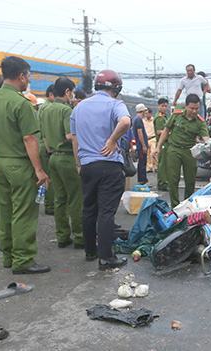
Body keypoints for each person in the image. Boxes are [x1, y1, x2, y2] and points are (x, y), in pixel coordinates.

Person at [0, 56, 50, 274]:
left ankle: (8, 256)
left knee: (4, 210)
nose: (28, 80)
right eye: (28, 76)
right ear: (22, 76)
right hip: (19, 164)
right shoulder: (20, 102)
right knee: (24, 212)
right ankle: (23, 260)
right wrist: (39, 169)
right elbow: (29, 139)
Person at [70, 69, 131, 270]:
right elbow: (125, 121)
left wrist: (79, 162)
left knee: (88, 209)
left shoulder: (78, 108)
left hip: (87, 165)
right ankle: (106, 257)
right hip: (108, 165)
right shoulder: (115, 104)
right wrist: (112, 140)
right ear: (116, 87)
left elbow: (75, 138)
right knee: (106, 212)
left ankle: (90, 251)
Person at [39, 77, 84, 249]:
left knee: (60, 198)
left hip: (53, 157)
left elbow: (43, 134)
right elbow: (70, 136)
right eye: (72, 92)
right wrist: (78, 162)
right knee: (75, 198)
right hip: (66, 157)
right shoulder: (66, 110)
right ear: (67, 91)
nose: (72, 96)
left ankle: (62, 236)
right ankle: (80, 237)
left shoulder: (44, 108)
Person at [155, 94, 209, 207]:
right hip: (173, 150)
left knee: (190, 181)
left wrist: (210, 145)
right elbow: (166, 131)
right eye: (192, 108)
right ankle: (175, 206)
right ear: (186, 106)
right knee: (173, 180)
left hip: (189, 152)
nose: (194, 111)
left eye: (197, 108)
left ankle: (187, 206)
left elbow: (206, 138)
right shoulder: (176, 115)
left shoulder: (200, 122)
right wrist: (158, 147)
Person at [37, 85, 55, 215]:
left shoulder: (42, 107)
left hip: (40, 144)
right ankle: (50, 205)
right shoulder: (49, 107)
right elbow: (47, 130)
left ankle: (47, 203)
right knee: (50, 177)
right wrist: (50, 148)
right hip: (46, 145)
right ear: (50, 95)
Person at [154, 98, 169, 191]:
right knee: (162, 164)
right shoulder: (159, 118)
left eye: (166, 106)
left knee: (166, 164)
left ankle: (165, 182)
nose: (164, 108)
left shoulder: (165, 116)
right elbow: (159, 132)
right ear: (158, 106)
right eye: (162, 106)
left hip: (166, 143)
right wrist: (169, 132)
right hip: (162, 143)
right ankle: (162, 183)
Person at [133, 104, 149, 185]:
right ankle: (142, 180)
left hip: (140, 145)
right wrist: (144, 145)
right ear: (142, 111)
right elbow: (140, 133)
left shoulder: (136, 119)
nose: (146, 113)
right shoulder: (138, 120)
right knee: (142, 163)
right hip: (141, 146)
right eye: (145, 111)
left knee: (142, 162)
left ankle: (143, 179)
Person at [143, 108, 157, 173]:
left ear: (150, 113)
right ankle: (149, 167)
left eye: (147, 113)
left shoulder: (154, 120)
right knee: (147, 154)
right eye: (145, 113)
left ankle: (155, 166)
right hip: (146, 139)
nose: (146, 115)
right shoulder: (143, 121)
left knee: (153, 153)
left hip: (153, 138)